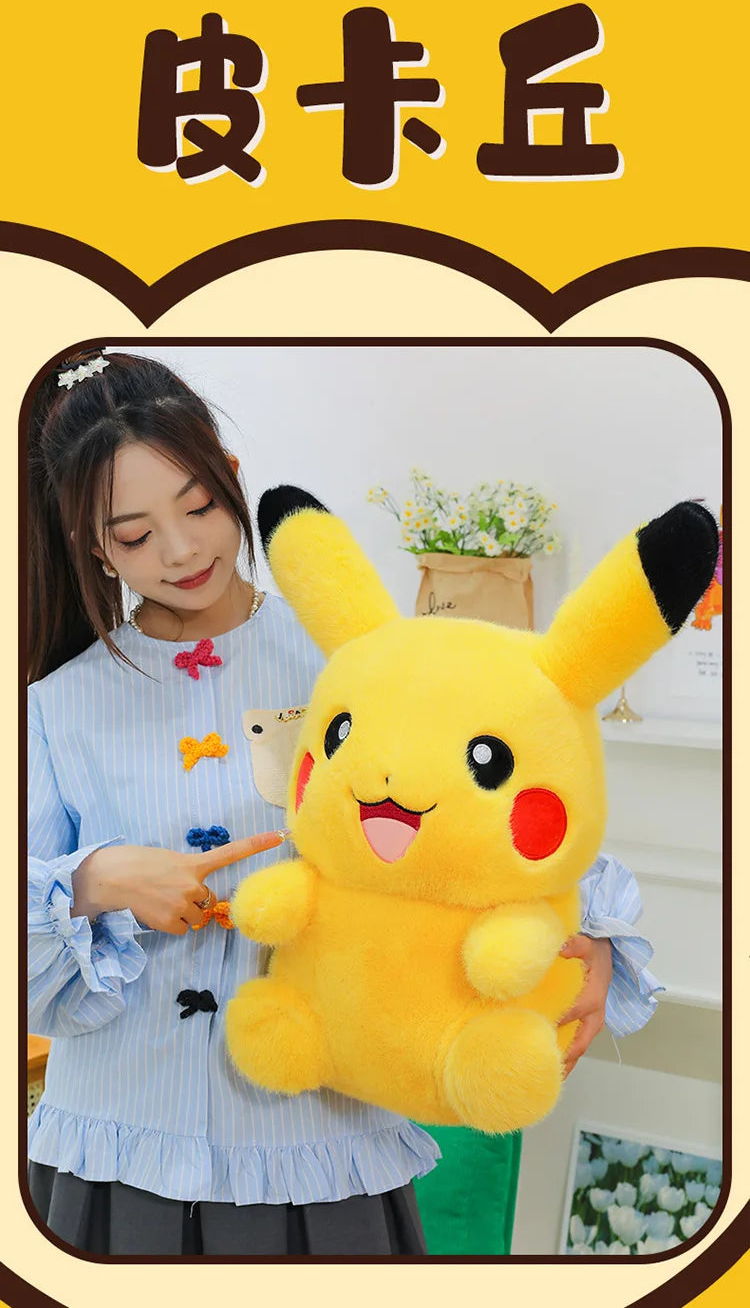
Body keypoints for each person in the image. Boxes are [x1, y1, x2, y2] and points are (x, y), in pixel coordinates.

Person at [26, 349, 660, 1257]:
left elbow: (492, 810)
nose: (181, 549)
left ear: (231, 477)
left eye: (199, 507)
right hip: (120, 1153)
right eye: (133, 534)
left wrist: (592, 933)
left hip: (319, 1146)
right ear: (92, 543)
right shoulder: (56, 705)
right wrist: (94, 880)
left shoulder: (360, 660)